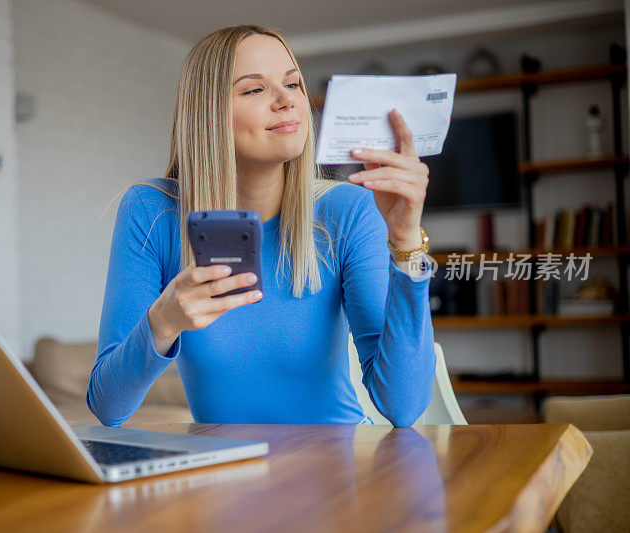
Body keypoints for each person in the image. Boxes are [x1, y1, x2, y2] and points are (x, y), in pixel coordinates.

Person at [87, 24, 436, 428]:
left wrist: (407, 242)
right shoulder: (152, 211)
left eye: (293, 84)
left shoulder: (348, 210)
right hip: (223, 475)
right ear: (208, 114)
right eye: (254, 89)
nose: (287, 100)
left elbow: (404, 407)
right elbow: (108, 408)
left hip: (334, 468)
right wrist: (163, 322)